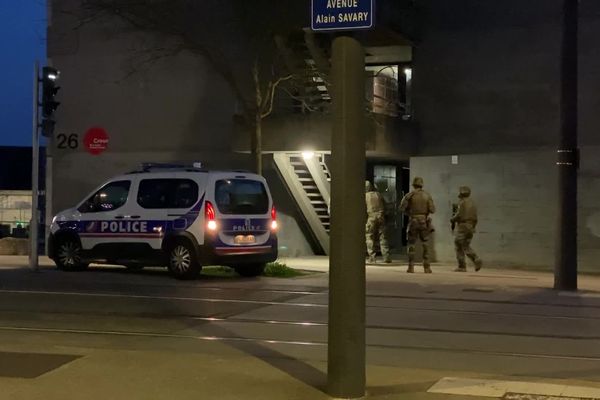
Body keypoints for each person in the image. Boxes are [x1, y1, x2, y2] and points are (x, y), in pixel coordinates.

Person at [399, 177, 435, 273]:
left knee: (411, 244)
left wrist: (409, 213)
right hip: (424, 222)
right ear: (422, 184)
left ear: (413, 185)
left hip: (413, 221)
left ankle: (411, 267)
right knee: (425, 244)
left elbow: (401, 208)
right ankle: (427, 267)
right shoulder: (427, 195)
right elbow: (432, 210)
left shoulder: (409, 195)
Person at [451, 186, 483, 272]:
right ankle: (476, 259)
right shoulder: (473, 203)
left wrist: (452, 219)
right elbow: (475, 218)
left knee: (458, 245)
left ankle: (462, 266)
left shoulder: (462, 203)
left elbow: (459, 215)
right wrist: (473, 227)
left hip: (463, 226)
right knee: (465, 245)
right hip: (471, 226)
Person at [365, 180, 391, 263]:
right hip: (381, 217)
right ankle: (386, 257)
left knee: (369, 236)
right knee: (383, 237)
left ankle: (372, 257)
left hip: (371, 217)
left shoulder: (365, 196)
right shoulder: (378, 194)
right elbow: (386, 206)